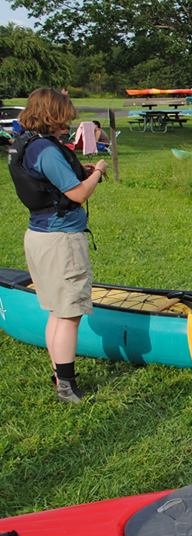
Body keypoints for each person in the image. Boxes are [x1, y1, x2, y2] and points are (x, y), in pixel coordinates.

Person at [8, 87, 108, 403]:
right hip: (61, 240)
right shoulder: (48, 151)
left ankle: (58, 374)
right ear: (51, 117)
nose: (66, 126)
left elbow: (54, 182)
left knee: (56, 310)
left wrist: (82, 173)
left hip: (38, 235)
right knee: (68, 315)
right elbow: (77, 194)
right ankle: (66, 386)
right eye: (63, 120)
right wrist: (98, 173)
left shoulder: (26, 145)